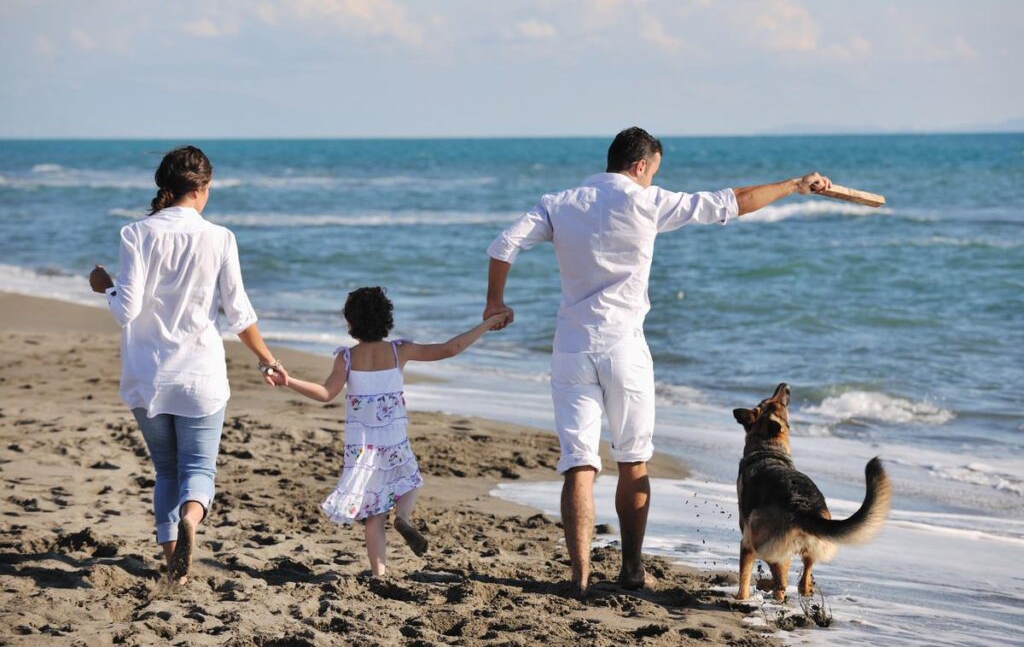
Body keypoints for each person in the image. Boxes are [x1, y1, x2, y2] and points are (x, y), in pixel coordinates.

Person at [483, 126, 831, 596]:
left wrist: (495, 304)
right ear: (641, 165)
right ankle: (630, 569)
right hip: (625, 348)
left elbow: (504, 244)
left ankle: (580, 577)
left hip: (571, 346)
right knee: (633, 462)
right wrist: (793, 185)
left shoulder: (559, 202)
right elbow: (733, 202)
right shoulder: (646, 202)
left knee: (579, 465)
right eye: (653, 173)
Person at [89, 145, 282, 584]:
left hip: (148, 377)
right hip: (201, 376)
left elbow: (125, 310)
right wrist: (268, 360)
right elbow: (240, 316)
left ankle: (172, 565)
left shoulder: (135, 233)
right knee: (198, 470)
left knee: (166, 471)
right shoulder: (220, 238)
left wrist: (105, 287)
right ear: (204, 187)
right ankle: (191, 521)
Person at [269, 286, 507, 576]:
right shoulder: (399, 351)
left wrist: (288, 380)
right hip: (392, 438)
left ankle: (378, 573)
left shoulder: (346, 358)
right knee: (411, 482)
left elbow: (324, 393)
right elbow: (449, 348)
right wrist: (486, 324)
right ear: (386, 318)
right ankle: (403, 517)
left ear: (351, 322)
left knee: (374, 512)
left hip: (361, 446)